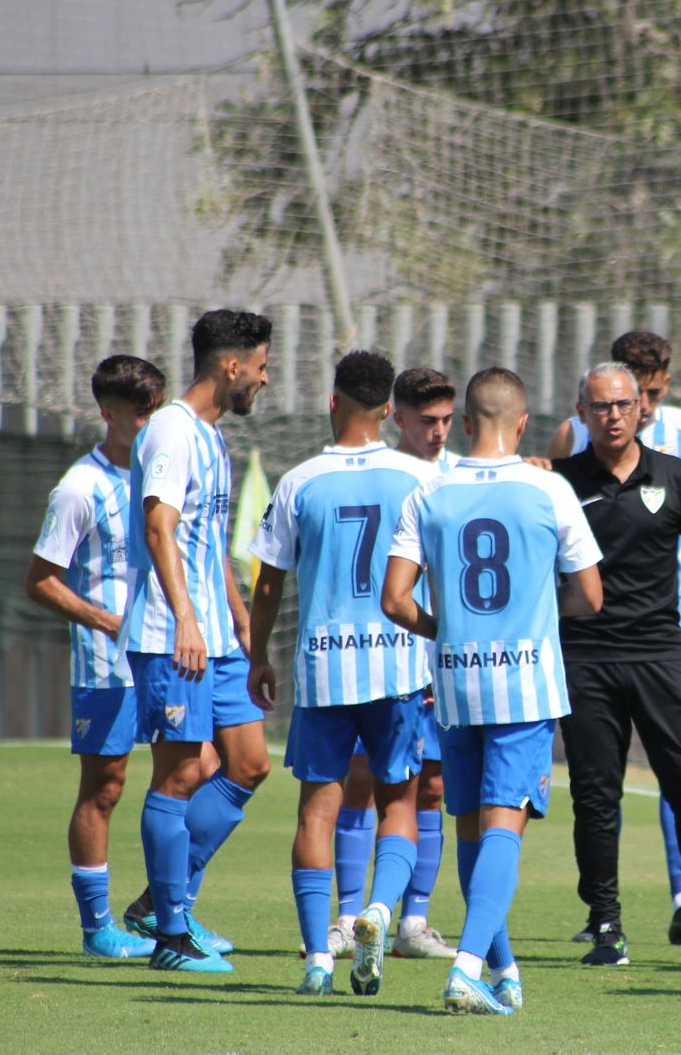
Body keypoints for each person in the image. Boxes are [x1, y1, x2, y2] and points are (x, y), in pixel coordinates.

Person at [382, 367, 603, 1015]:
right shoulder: (550, 489)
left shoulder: (430, 492)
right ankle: (467, 968)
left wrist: (443, 627)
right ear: (524, 423)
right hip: (525, 684)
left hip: (455, 682)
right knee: (504, 825)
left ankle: (502, 970)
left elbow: (396, 600)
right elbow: (591, 593)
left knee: (471, 831)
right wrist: (534, 612)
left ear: (468, 422)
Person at [245, 351, 439, 997]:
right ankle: (380, 913)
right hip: (401, 666)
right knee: (399, 805)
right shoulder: (420, 477)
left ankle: (317, 963)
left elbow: (268, 582)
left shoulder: (299, 481)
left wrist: (257, 652)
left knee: (316, 814)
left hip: (326, 668)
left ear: (333, 402)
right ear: (390, 409)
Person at [553, 362, 681, 970]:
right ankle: (605, 925)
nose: (612, 415)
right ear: (581, 413)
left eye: (622, 404)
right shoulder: (557, 482)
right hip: (584, 657)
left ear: (643, 409)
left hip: (662, 655)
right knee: (595, 797)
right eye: (599, 405)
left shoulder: (676, 476)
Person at [119, 309, 272, 973]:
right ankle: (171, 937)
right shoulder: (172, 433)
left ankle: (162, 899)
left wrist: (236, 613)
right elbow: (160, 531)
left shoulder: (213, 438)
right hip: (172, 633)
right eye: (262, 368)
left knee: (249, 763)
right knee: (181, 774)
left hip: (216, 634)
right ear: (231, 366)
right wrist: (185, 617)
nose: (265, 381)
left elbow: (204, 544)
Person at [26, 355, 165, 959]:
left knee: (203, 768)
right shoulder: (79, 487)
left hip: (165, 651)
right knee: (104, 787)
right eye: (138, 412)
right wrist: (108, 620)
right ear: (108, 413)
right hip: (107, 663)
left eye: (154, 409)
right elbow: (40, 580)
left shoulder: (163, 471)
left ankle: (167, 910)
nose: (148, 420)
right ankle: (98, 929)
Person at [322, 368, 462, 963]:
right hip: (368, 664)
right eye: (426, 421)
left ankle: (414, 921)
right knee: (360, 783)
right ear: (394, 417)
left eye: (446, 421)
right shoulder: (380, 476)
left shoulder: (454, 480)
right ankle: (349, 917)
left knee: (431, 787)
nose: (437, 432)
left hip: (430, 664)